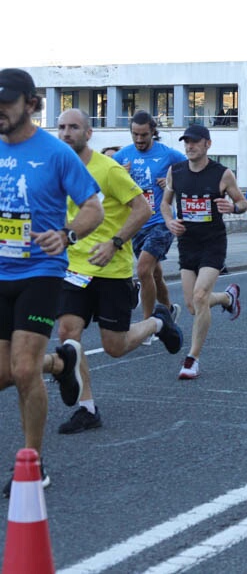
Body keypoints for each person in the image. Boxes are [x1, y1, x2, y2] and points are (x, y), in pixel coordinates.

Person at [44, 109, 183, 435]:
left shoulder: (109, 169)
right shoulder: (55, 169)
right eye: (61, 127)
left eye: (74, 127)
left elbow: (143, 209)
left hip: (112, 269)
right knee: (68, 333)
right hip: (74, 268)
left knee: (114, 347)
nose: (66, 133)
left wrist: (115, 242)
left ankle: (158, 322)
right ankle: (87, 408)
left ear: (88, 133)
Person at [0, 70, 103, 495]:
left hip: (41, 271)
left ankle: (32, 463)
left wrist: (66, 234)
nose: (0, 110)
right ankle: (62, 364)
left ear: (31, 103)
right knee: (6, 374)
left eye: (7, 101)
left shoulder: (57, 153)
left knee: (24, 368)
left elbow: (93, 208)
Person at [161, 124, 247, 379]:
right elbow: (165, 204)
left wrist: (232, 208)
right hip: (187, 243)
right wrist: (169, 221)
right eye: (186, 142)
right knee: (192, 305)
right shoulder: (175, 172)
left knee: (199, 297)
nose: (189, 146)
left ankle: (192, 359)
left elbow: (244, 203)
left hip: (213, 243)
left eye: (195, 142)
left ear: (207, 144)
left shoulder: (222, 174)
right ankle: (227, 298)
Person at [113, 110, 185, 332]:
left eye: (144, 135)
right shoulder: (122, 157)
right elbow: (106, 186)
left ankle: (148, 325)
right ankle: (168, 309)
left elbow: (191, 172)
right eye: (135, 134)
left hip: (161, 222)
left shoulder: (168, 155)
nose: (139, 140)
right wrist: (120, 175)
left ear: (153, 132)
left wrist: (173, 183)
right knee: (155, 273)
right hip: (137, 223)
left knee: (143, 270)